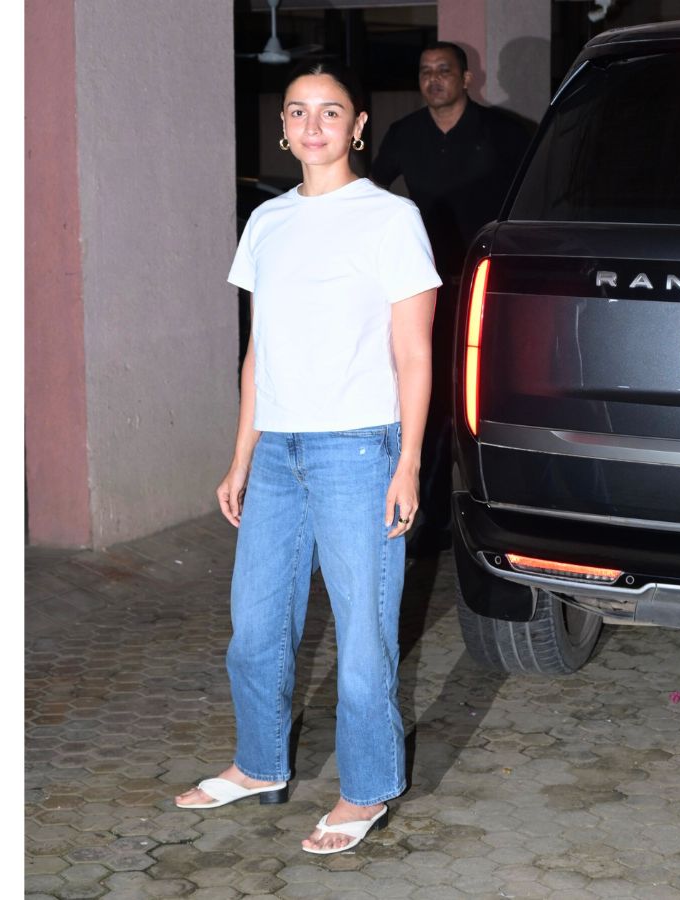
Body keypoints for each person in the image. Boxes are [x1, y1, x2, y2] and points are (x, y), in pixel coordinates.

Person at [173, 61, 440, 856]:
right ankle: (259, 764)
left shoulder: (391, 218)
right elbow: (261, 350)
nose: (312, 124)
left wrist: (408, 462)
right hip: (278, 452)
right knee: (255, 627)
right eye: (297, 111)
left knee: (363, 636)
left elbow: (415, 354)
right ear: (284, 128)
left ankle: (367, 788)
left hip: (358, 448)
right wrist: (240, 456)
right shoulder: (267, 221)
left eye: (330, 111)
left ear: (357, 126)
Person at [371, 42, 532, 557]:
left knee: (489, 397)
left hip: (489, 285)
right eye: (425, 71)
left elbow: (537, 196)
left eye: (444, 70)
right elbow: (372, 193)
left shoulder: (506, 133)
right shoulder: (405, 134)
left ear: (466, 78)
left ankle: (500, 508)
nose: (433, 79)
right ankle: (433, 516)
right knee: (433, 397)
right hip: (428, 288)